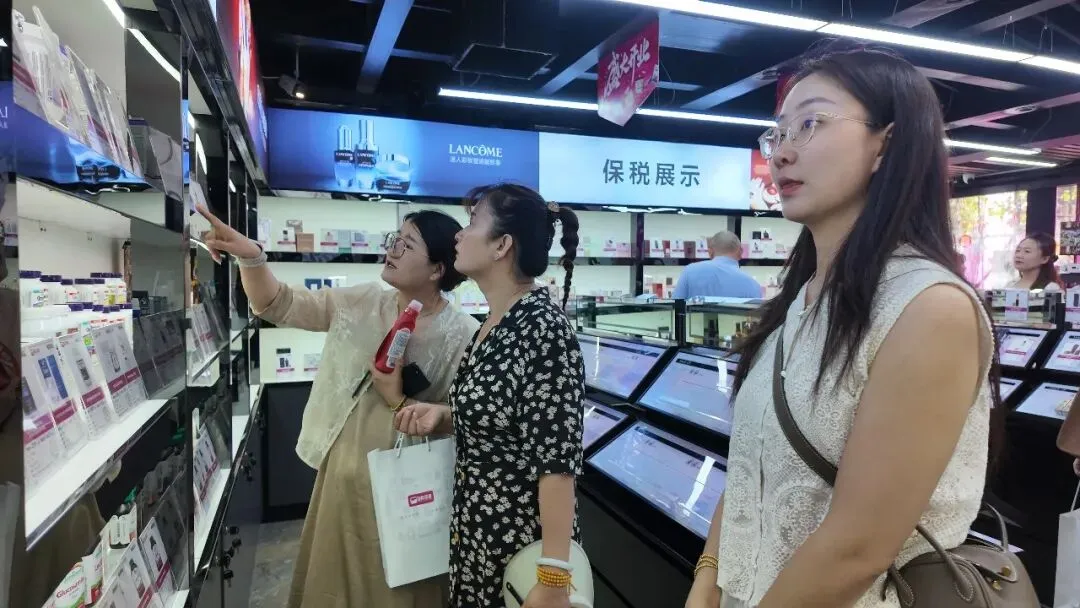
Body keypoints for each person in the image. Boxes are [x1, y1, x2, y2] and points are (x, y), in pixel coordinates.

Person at [685, 47, 1000, 608]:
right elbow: (752, 472)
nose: (782, 153)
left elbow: (858, 548)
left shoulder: (928, 307)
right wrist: (707, 578)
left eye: (811, 123)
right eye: (778, 133)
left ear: (886, 144)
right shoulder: (798, 303)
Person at [197, 205, 479, 608]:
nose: (392, 249)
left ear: (437, 269)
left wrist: (402, 398)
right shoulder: (365, 300)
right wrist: (252, 257)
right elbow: (278, 303)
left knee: (397, 585)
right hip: (342, 473)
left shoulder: (463, 334)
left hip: (408, 487)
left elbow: (464, 422)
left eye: (407, 244)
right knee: (333, 580)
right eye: (394, 239)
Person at [392, 184, 585, 608]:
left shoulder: (543, 329)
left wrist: (554, 579)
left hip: (519, 549)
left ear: (502, 245)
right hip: (476, 537)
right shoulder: (493, 323)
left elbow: (557, 463)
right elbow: (504, 420)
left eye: (473, 222)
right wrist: (446, 416)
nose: (459, 235)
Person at [673, 231, 762, 299]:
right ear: (741, 252)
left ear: (710, 252)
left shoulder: (690, 272)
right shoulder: (753, 285)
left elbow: (676, 307)